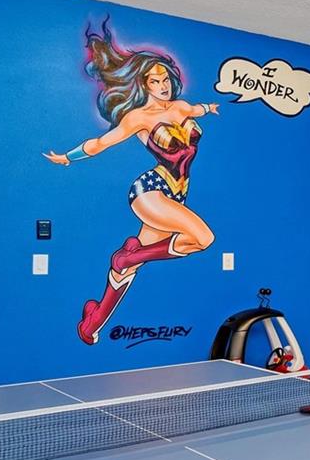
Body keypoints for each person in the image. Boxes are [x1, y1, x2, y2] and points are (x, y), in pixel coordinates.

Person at [44, 18, 218, 344]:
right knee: (202, 238)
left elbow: (196, 109)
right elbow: (101, 143)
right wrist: (68, 157)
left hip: (177, 194)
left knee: (129, 269)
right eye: (155, 81)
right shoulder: (137, 118)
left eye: (165, 79)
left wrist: (208, 108)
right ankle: (130, 256)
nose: (163, 86)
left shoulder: (181, 108)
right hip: (151, 191)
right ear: (144, 84)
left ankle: (91, 324)